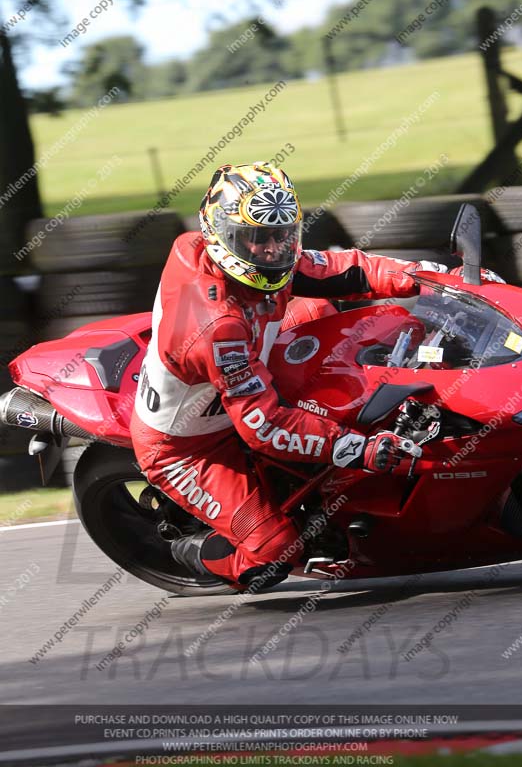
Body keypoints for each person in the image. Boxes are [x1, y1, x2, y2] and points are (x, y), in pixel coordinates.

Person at [129, 161, 497, 592]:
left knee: (365, 322)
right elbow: (262, 427)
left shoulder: (246, 259)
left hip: (248, 363)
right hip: (190, 445)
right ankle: (190, 552)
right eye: (257, 238)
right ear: (220, 236)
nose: (272, 250)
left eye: (282, 234)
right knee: (273, 551)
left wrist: (440, 280)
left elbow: (351, 269)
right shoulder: (214, 327)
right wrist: (356, 447)